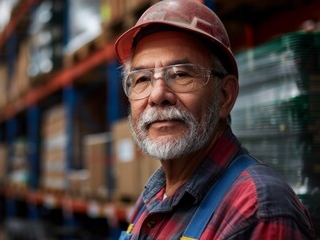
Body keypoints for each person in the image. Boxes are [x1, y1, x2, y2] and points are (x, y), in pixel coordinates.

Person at [114, 0, 316, 239]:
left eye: (180, 74)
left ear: (224, 96)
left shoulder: (259, 211)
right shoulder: (152, 196)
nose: (157, 95)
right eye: (142, 79)